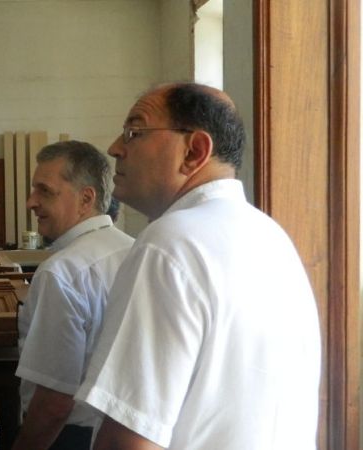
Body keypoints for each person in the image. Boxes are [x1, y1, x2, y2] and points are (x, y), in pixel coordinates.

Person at [74, 83, 321, 449]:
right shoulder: (271, 236)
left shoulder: (169, 243)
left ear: (194, 151)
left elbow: (131, 436)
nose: (115, 148)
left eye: (134, 132)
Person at [11, 141, 134, 450]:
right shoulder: (135, 249)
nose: (30, 202)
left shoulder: (61, 272)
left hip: (70, 436)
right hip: (122, 432)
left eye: (45, 191)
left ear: (86, 199)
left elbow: (54, 401)